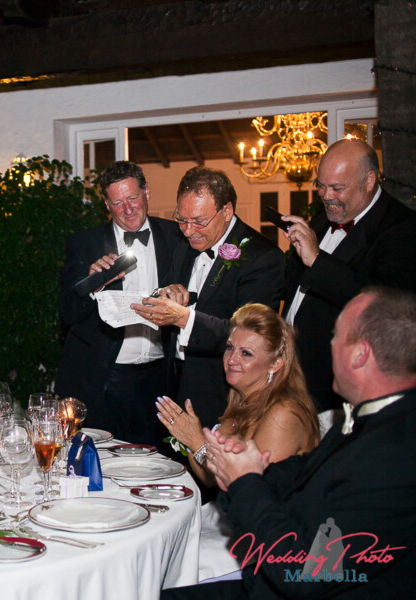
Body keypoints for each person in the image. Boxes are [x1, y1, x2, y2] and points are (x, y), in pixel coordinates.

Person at [162, 287, 416, 599]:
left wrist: (243, 480)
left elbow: (307, 573)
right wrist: (240, 465)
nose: (329, 345)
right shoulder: (371, 419)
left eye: (335, 336)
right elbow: (300, 474)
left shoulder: (396, 454)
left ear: (360, 354)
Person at [156, 303, 318, 580]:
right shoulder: (241, 400)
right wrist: (192, 441)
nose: (232, 359)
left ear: (276, 363)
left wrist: (197, 442)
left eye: (246, 353)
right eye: (230, 348)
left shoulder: (282, 413)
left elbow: (256, 493)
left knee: (167, 560)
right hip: (227, 518)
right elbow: (210, 480)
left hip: (264, 541)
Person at [134, 166, 284, 431]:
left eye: (199, 221)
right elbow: (168, 288)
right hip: (174, 387)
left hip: (223, 395)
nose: (188, 230)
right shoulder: (184, 244)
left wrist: (184, 318)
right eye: (182, 219)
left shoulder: (264, 258)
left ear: (227, 211)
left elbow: (251, 336)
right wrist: (166, 293)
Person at [282, 139, 416, 412]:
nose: (325, 195)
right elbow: (293, 286)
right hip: (291, 379)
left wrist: (317, 259)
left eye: (337, 188)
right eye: (321, 185)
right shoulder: (324, 218)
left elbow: (381, 308)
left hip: (335, 390)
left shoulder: (403, 229)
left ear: (369, 181)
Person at [55, 161, 183, 447]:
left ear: (146, 192)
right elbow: (68, 312)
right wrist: (93, 282)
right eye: (117, 203)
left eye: (133, 198)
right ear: (106, 205)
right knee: (102, 457)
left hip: (159, 377)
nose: (128, 209)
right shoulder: (85, 244)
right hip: (104, 377)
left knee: (156, 459)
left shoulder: (176, 237)